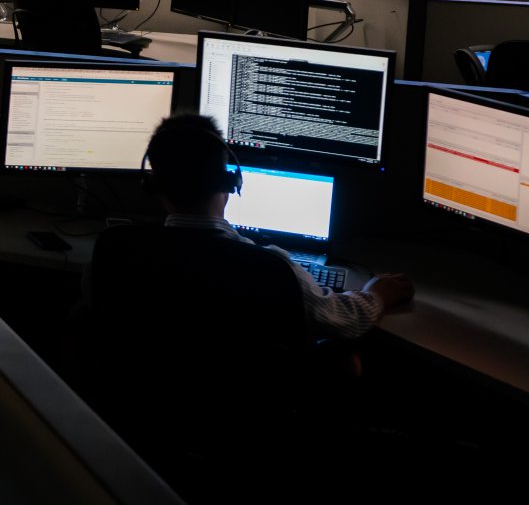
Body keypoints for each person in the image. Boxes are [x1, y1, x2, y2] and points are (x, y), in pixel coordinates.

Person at [142, 113, 412, 339]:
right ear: (230, 182)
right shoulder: (270, 266)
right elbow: (347, 321)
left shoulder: (127, 250)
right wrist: (377, 293)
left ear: (153, 186)